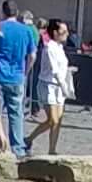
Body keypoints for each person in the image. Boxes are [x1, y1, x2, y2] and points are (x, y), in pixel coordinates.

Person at [0, 1, 38, 157]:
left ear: (3, 12)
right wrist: (26, 72)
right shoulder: (26, 31)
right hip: (17, 76)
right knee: (16, 114)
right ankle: (17, 147)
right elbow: (32, 55)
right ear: (17, 12)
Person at [30, 19, 73, 154]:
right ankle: (29, 138)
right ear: (55, 33)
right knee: (52, 119)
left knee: (58, 120)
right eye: (63, 32)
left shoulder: (60, 48)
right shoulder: (49, 48)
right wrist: (63, 85)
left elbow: (62, 67)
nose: (67, 34)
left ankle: (52, 149)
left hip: (59, 86)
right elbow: (54, 70)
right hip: (48, 84)